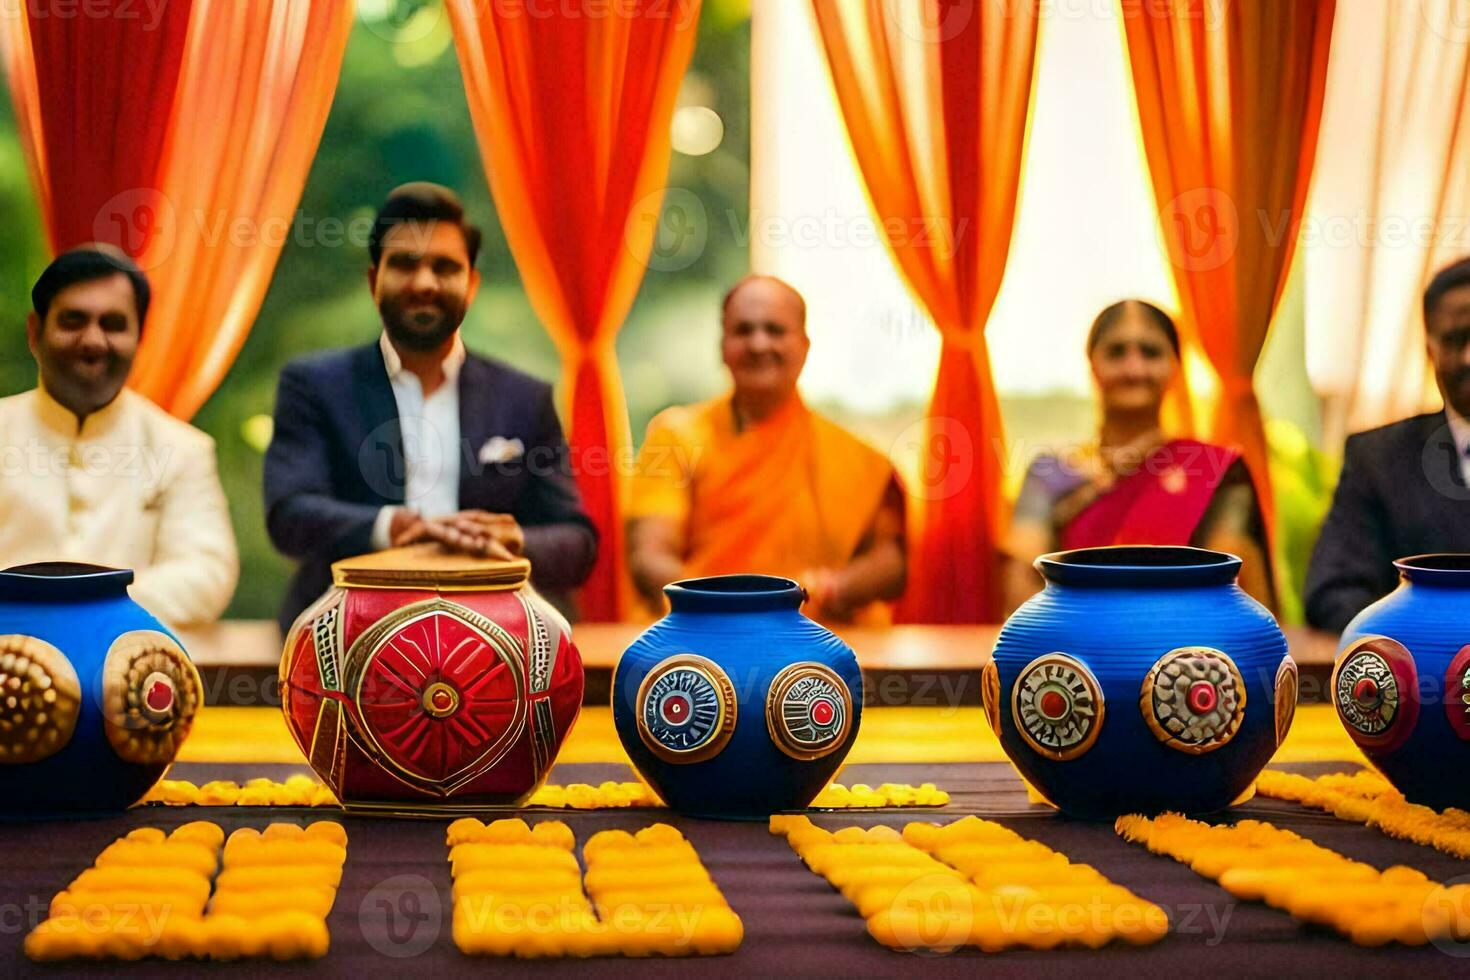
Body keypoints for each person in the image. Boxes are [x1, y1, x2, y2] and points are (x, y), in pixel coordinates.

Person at [264, 183, 597, 631]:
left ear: (472, 284)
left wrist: (509, 537)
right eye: (404, 264)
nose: (424, 283)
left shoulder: (524, 398)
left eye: (444, 267)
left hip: (497, 640)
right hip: (349, 637)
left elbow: (577, 544)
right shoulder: (315, 386)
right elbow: (290, 515)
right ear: (372, 280)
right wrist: (398, 528)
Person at [626, 275, 906, 625]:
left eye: (775, 330)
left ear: (804, 346)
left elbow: (892, 560)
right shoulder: (675, 438)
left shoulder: (856, 457)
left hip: (817, 636)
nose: (759, 344)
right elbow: (649, 554)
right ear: (722, 346)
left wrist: (837, 588)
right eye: (744, 330)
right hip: (702, 634)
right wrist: (711, 604)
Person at [0, 245, 238, 628]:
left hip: (130, 666)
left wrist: (87, 611)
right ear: (34, 332)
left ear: (139, 337)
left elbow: (206, 575)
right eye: (73, 321)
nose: (93, 341)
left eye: (113, 324)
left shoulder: (181, 450)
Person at [1004, 299, 1275, 613]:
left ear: (1176, 366)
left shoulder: (1215, 471)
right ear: (1092, 364)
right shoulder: (1050, 473)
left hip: (1185, 649)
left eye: (1150, 352)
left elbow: (1230, 595)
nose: (1134, 369)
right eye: (1117, 352)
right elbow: (1019, 596)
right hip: (1073, 648)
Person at [1305, 257, 1470, 633]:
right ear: (1429, 349)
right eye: (1455, 339)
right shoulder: (1378, 458)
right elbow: (1333, 591)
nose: (1468, 358)